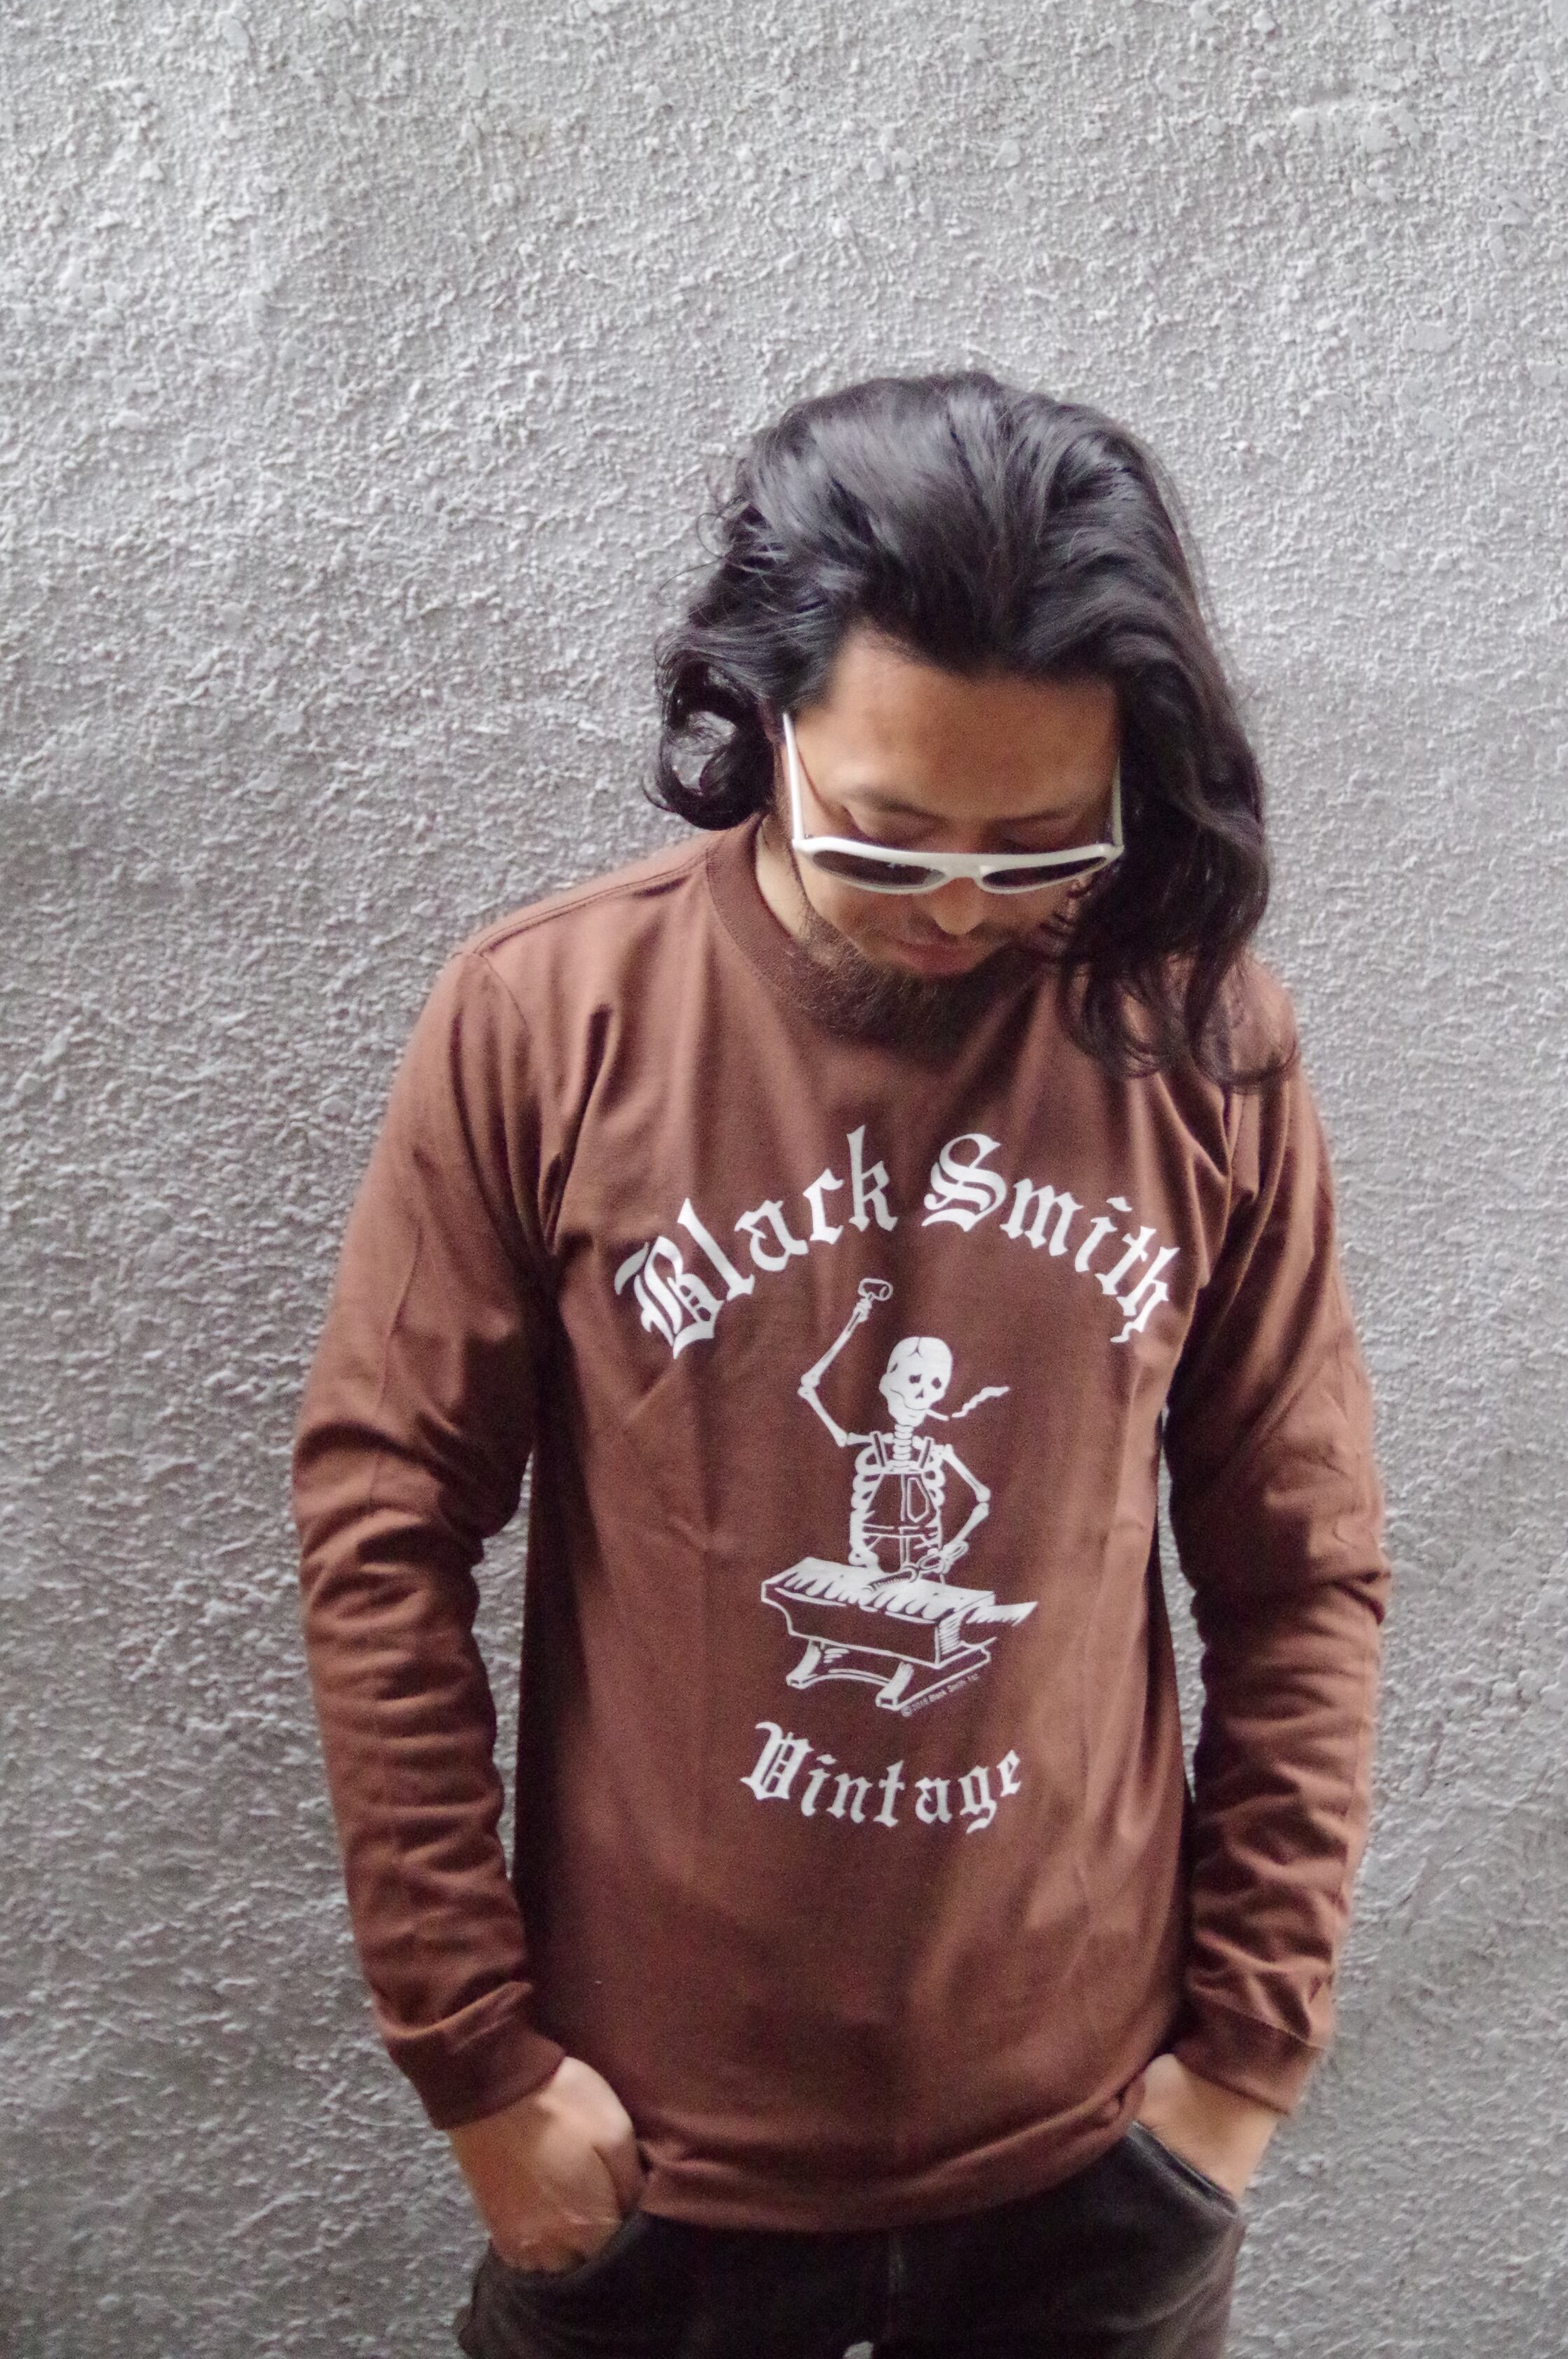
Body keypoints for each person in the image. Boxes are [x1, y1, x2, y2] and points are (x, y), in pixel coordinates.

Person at [292, 370, 1389, 2359]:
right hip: (652, 2183)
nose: (963, 903)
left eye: (1039, 845)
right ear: (762, 718)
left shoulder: (1205, 1044)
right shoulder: (549, 1022)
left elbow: (1301, 1566)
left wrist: (1239, 2073)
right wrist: (475, 2065)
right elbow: (382, 1529)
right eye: (888, 837)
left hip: (1091, 2181)